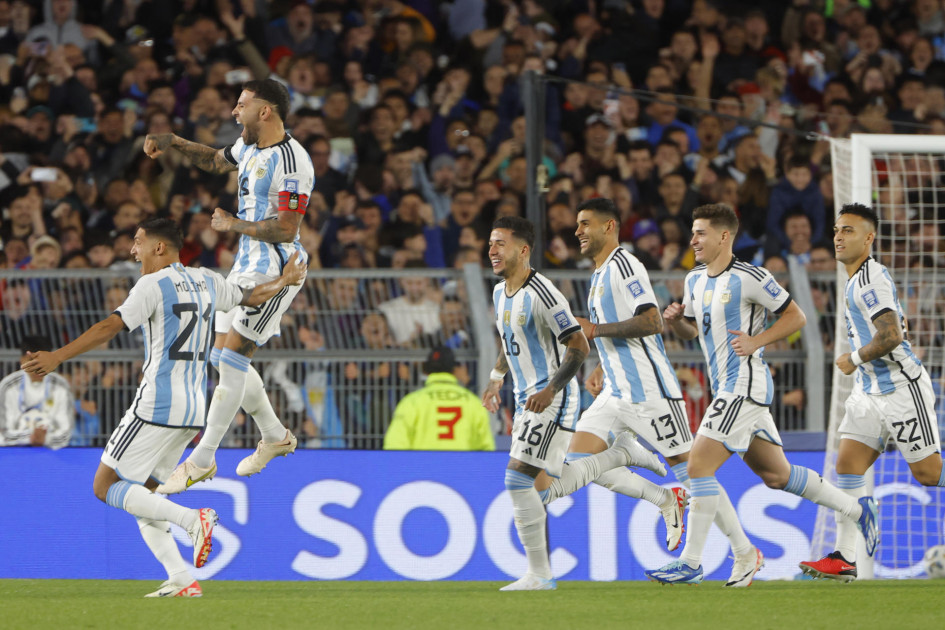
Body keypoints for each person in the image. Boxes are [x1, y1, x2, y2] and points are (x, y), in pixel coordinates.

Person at [21, 218, 307, 598]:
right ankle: (181, 578)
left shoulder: (151, 285)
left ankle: (193, 520)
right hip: (193, 409)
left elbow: (110, 326)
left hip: (155, 404)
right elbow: (251, 296)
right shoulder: (206, 279)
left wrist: (58, 356)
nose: (132, 250)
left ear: (159, 247)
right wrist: (284, 282)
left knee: (105, 486)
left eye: (137, 242)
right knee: (146, 497)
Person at [646, 204, 878, 585]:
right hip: (727, 387)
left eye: (700, 233)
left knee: (697, 466)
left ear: (724, 236)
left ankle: (692, 562)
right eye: (693, 232)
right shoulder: (693, 280)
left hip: (744, 385)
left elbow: (796, 317)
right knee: (777, 474)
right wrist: (677, 324)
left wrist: (757, 341)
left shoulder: (751, 277)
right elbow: (694, 332)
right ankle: (856, 509)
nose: (693, 240)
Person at [541, 197, 761, 587]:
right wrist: (600, 364)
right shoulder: (598, 274)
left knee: (696, 474)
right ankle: (662, 498)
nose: (577, 231)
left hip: (650, 391)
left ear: (609, 227)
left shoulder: (625, 265)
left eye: (585, 223)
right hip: (615, 390)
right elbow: (614, 331)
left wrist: (592, 330)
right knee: (575, 461)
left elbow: (651, 321)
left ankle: (745, 552)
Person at [143, 79, 314, 490]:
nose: (234, 112)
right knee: (221, 359)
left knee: (234, 359)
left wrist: (233, 224)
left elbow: (289, 228)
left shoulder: (293, 162)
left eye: (241, 105)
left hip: (277, 268)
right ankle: (274, 436)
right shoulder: (250, 147)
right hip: (245, 264)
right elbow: (217, 161)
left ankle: (202, 459)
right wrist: (173, 141)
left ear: (265, 110)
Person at [480, 216, 663, 591]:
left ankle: (540, 575)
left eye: (500, 244)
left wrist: (550, 390)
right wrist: (496, 378)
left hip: (553, 396)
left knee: (516, 479)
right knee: (542, 490)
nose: (492, 251)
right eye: (490, 244)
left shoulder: (544, 293)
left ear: (523, 249)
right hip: (526, 396)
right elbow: (509, 341)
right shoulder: (500, 293)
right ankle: (618, 454)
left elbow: (579, 345)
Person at [799, 203, 945, 582]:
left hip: (900, 391)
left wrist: (855, 358)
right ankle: (844, 558)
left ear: (869, 237)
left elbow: (892, 334)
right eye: (836, 229)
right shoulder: (858, 278)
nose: (838, 236)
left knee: (928, 474)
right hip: (869, 393)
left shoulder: (870, 279)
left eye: (848, 230)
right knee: (848, 466)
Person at [383, 345, 494, 451]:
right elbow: (487, 448)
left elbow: (394, 445)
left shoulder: (411, 402)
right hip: (461, 469)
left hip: (421, 469)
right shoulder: (473, 402)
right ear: (455, 370)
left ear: (426, 370)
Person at [0, 335, 74, 449]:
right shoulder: (8, 386)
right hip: (14, 453)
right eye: (31, 361)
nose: (37, 367)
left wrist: (46, 438)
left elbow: (66, 433)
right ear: (22, 359)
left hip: (52, 453)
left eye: (41, 362)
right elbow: (3, 433)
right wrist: (30, 437)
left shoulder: (61, 386)